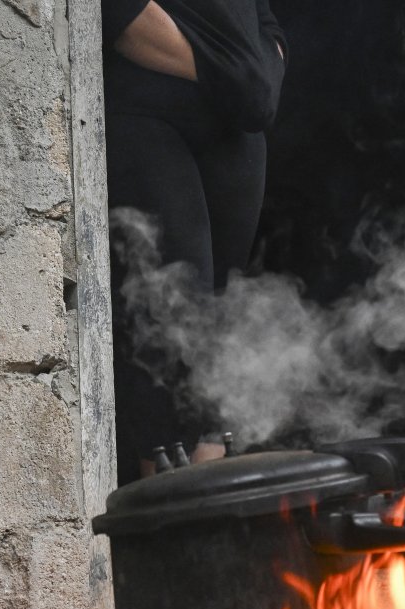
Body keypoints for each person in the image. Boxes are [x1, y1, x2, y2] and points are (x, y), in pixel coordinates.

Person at [100, 0, 286, 483]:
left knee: (216, 317)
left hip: (238, 129)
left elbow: (262, 19)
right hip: (149, 111)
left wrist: (263, 75)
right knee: (167, 307)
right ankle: (165, 507)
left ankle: (209, 510)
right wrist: (229, 72)